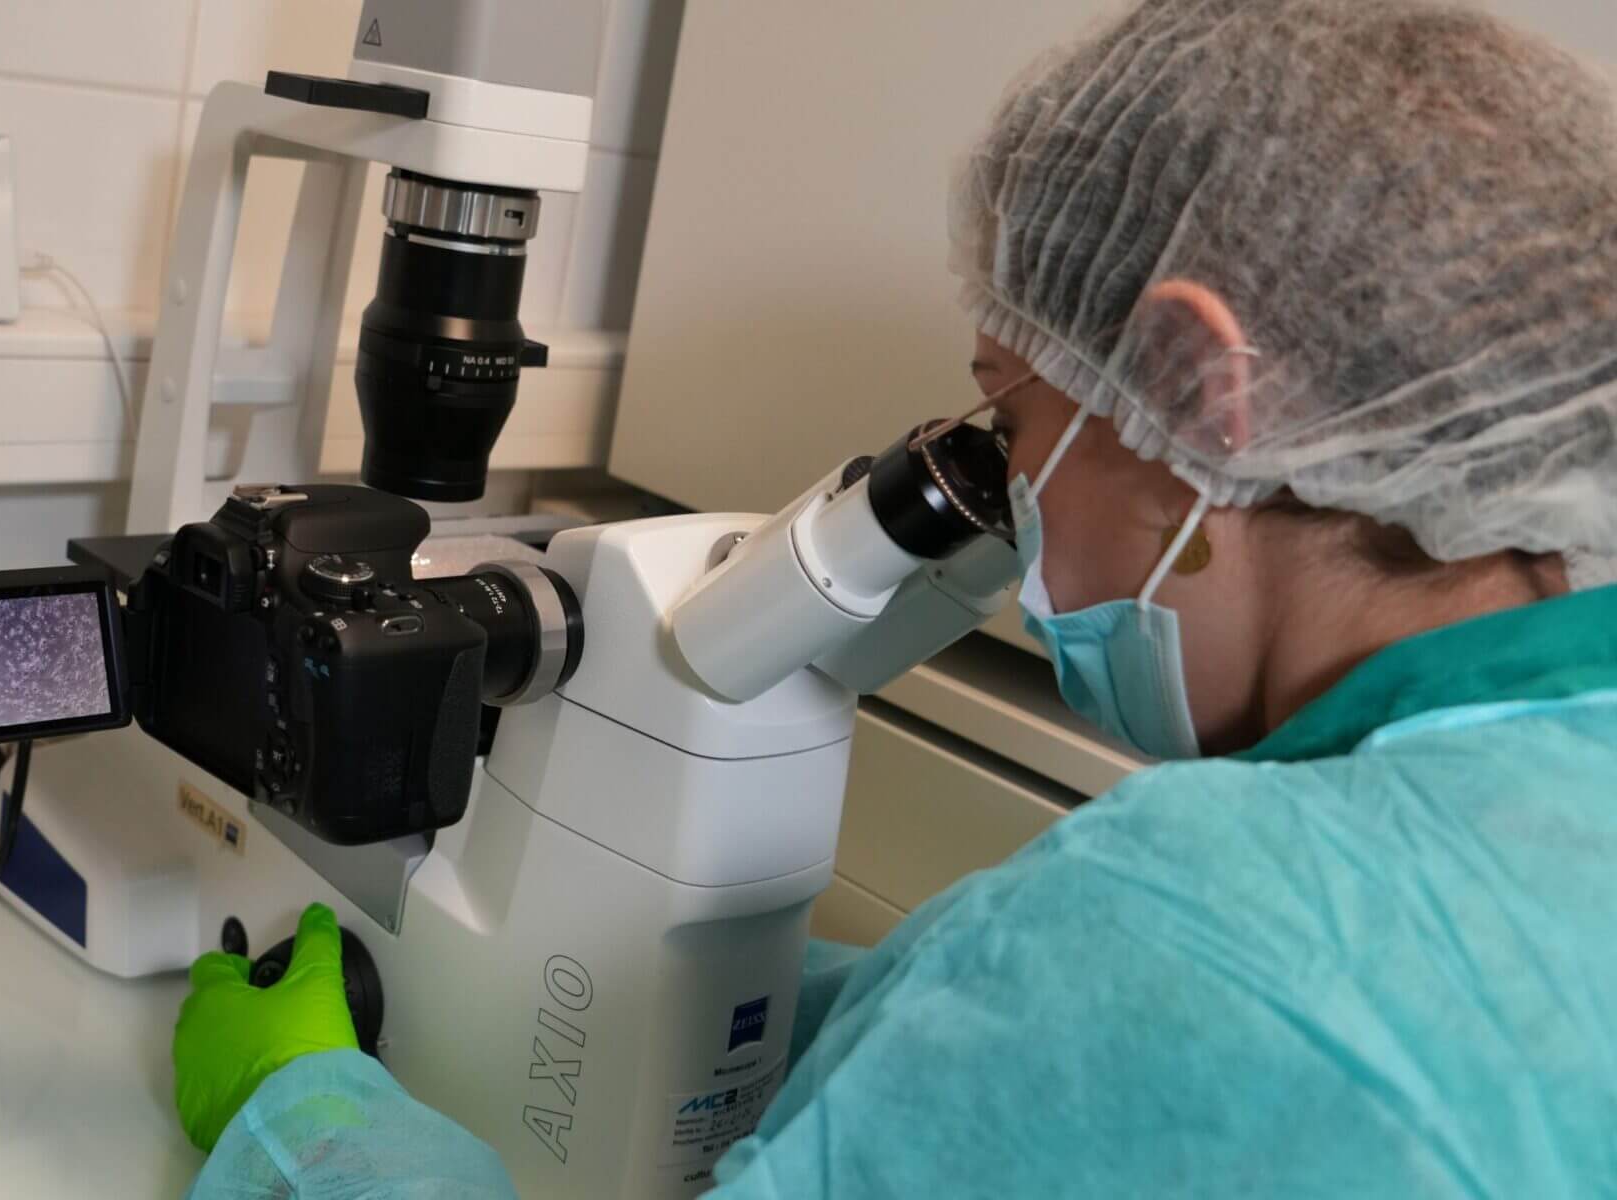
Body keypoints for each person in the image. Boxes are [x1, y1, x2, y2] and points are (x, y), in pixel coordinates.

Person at [173, 0, 1617, 1193]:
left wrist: (304, 1125)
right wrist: (865, 1016)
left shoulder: (1204, 935)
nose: (1009, 497)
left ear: (1194, 387)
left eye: (1013, 419)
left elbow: (1168, 1010)